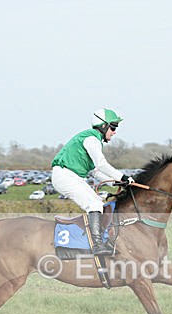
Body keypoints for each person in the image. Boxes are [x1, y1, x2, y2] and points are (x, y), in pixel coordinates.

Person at [51, 108, 132, 255]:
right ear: (103, 126)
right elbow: (101, 164)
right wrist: (122, 177)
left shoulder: (93, 140)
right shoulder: (92, 139)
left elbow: (95, 171)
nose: (114, 132)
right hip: (64, 176)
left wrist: (116, 183)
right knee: (94, 204)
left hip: (72, 176)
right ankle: (97, 245)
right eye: (113, 127)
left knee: (99, 204)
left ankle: (99, 241)